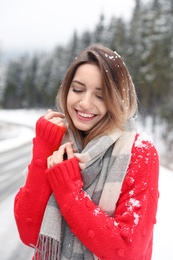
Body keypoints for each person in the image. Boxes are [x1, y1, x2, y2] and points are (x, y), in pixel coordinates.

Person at [14, 44, 159, 260]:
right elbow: (29, 235)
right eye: (78, 90)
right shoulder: (58, 143)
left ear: (118, 100)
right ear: (67, 89)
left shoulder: (139, 152)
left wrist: (68, 190)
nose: (85, 103)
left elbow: (128, 252)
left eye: (100, 96)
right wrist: (43, 149)